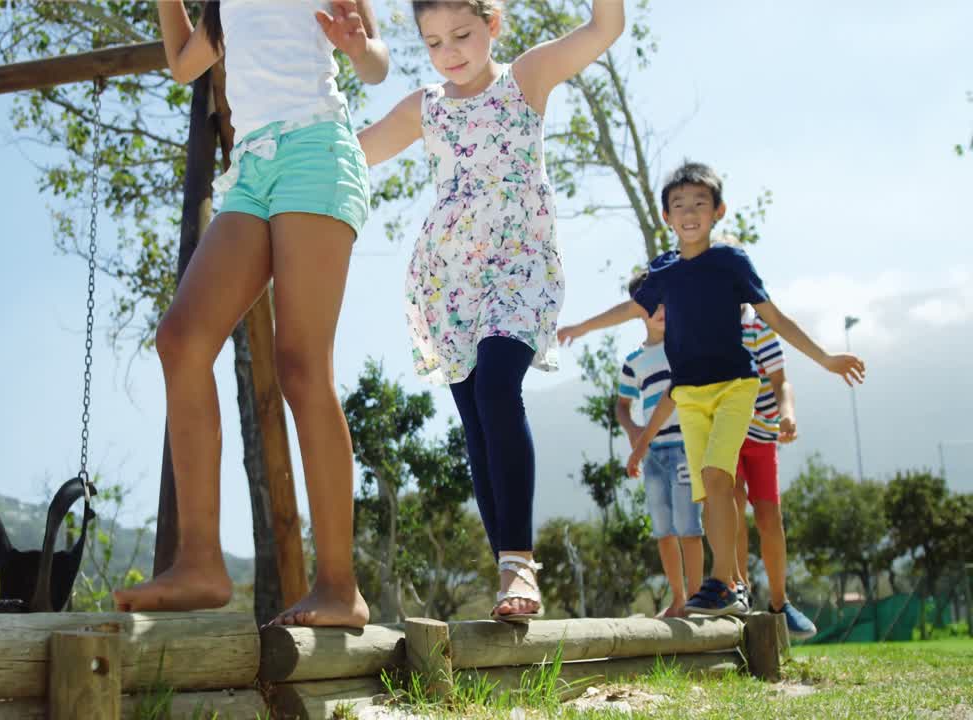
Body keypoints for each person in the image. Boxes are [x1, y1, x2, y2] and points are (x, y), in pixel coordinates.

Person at [113, 0, 389, 628]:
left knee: (300, 367)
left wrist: (356, 46)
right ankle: (200, 564)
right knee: (181, 340)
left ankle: (339, 587)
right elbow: (185, 65)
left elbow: (377, 65)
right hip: (252, 170)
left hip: (316, 151)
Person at [357, 0, 625, 622]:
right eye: (432, 42)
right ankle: (507, 570)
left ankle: (519, 561)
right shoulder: (425, 107)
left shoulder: (526, 78)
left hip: (520, 266)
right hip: (448, 281)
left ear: (492, 25)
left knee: (499, 387)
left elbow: (605, 28)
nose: (448, 52)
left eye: (461, 34)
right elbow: (353, 150)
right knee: (476, 419)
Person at [558, 161, 866, 616]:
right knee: (709, 490)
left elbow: (774, 316)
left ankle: (723, 582)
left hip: (733, 388)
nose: (689, 212)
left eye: (700, 203)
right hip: (689, 395)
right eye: (679, 205)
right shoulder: (664, 271)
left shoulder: (730, 262)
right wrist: (580, 328)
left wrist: (825, 359)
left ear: (718, 211)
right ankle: (730, 582)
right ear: (666, 217)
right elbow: (631, 308)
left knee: (720, 478)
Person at [616, 271, 703, 619]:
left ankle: (697, 598)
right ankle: (678, 598)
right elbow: (622, 406)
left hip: (685, 448)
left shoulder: (684, 347)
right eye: (651, 304)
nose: (660, 310)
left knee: (688, 525)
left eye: (665, 302)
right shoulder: (633, 362)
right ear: (638, 310)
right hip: (652, 455)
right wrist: (633, 431)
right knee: (663, 529)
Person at [733, 303, 818, 637]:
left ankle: (780, 602)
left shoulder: (758, 327)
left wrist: (788, 415)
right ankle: (738, 592)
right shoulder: (708, 321)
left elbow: (782, 382)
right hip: (725, 432)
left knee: (769, 516)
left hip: (762, 435)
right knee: (731, 505)